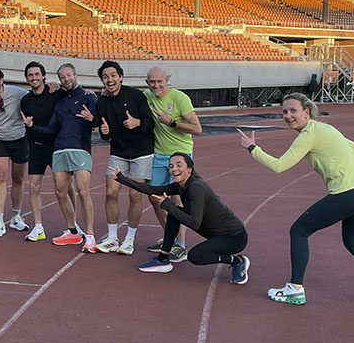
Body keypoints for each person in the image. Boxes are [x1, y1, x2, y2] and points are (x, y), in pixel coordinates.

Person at [238, 93, 354, 307]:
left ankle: (295, 289)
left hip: (348, 192)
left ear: (306, 112)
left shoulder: (308, 134)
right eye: (285, 111)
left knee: (299, 231)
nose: (288, 116)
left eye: (293, 111)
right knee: (353, 242)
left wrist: (253, 148)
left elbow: (279, 166)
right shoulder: (324, 128)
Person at [116, 154, 249, 284]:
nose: (174, 169)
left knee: (195, 256)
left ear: (189, 169)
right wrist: (121, 178)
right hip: (214, 233)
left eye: (179, 165)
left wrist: (168, 205)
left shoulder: (196, 187)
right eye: (171, 166)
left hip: (234, 238)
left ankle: (237, 261)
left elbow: (195, 223)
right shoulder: (180, 186)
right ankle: (163, 259)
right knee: (174, 213)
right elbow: (152, 189)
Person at [26, 63, 98, 252]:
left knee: (83, 191)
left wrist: (94, 120)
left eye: (68, 75)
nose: (66, 79)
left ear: (76, 75)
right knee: (60, 192)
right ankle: (72, 231)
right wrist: (32, 128)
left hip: (79, 149)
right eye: (62, 77)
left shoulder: (89, 97)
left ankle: (90, 236)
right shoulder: (59, 103)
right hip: (59, 150)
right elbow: (51, 129)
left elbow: (99, 119)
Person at [93, 60, 154, 255]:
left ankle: (129, 239)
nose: (109, 79)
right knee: (111, 193)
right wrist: (104, 132)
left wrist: (138, 123)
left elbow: (150, 122)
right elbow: (105, 135)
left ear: (120, 77)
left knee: (135, 195)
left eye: (113, 75)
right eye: (105, 77)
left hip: (141, 153)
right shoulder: (102, 102)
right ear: (102, 81)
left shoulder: (136, 96)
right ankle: (112, 238)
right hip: (118, 153)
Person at [144, 66, 203, 261]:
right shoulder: (146, 96)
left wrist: (171, 122)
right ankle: (170, 238)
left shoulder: (180, 98)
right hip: (158, 154)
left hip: (179, 155)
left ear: (167, 80)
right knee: (154, 197)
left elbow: (197, 129)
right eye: (152, 82)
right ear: (147, 83)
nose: (156, 85)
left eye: (159, 81)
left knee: (176, 200)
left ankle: (181, 245)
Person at [19, 61, 73, 242]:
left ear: (43, 76)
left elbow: (74, 94)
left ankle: (73, 225)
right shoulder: (26, 101)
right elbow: (28, 126)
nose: (34, 78)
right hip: (37, 147)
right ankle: (38, 227)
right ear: (27, 78)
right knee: (33, 186)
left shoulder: (56, 92)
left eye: (36, 74)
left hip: (58, 147)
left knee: (66, 187)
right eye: (30, 75)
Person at [0, 67, 30, 236]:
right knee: (0, 177)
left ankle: (16, 216)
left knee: (18, 178)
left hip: (19, 139)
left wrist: (53, 86)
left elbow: (38, 94)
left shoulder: (18, 93)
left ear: (2, 80)